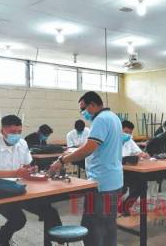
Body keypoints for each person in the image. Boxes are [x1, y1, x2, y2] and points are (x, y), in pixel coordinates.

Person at [50, 91, 122, 246]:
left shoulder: (101, 119)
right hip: (114, 179)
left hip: (101, 182)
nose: (83, 113)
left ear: (93, 105)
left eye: (84, 108)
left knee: (92, 226)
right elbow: (92, 144)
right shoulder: (113, 117)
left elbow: (89, 148)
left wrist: (62, 160)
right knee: (109, 225)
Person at [0, 115, 61, 246]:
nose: (16, 135)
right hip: (0, 191)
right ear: (2, 131)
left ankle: (54, 242)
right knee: (18, 220)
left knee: (50, 212)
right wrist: (15, 173)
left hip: (20, 189)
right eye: (12, 132)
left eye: (19, 132)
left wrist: (32, 169)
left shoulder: (22, 143)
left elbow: (27, 165)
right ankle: (2, 238)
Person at [120, 120, 149, 216]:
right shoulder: (112, 140)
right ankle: (109, 210)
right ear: (120, 129)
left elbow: (138, 152)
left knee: (142, 186)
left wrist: (144, 154)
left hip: (129, 170)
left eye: (130, 133)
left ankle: (125, 206)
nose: (128, 134)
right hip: (116, 171)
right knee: (121, 189)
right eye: (126, 132)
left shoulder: (129, 140)